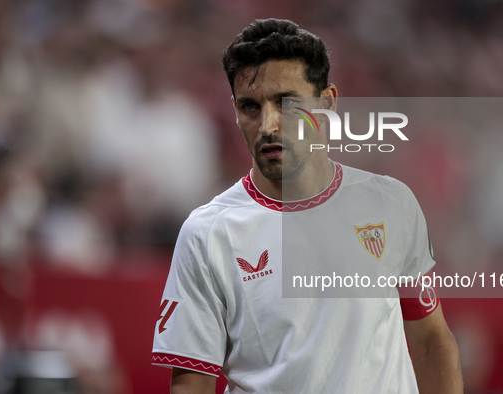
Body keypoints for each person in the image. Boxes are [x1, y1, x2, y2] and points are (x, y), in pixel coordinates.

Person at [152, 18, 463, 394]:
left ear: (327, 102)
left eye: (287, 103)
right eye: (251, 107)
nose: (267, 124)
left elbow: (431, 341)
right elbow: (192, 384)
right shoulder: (207, 234)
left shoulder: (393, 205)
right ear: (234, 110)